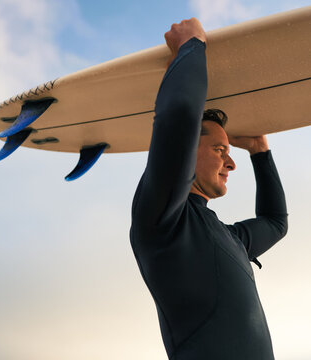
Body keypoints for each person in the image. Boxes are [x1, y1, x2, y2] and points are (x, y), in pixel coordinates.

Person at [130, 18, 288, 360]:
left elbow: (277, 222)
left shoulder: (230, 238)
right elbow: (179, 118)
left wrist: (260, 151)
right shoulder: (163, 221)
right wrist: (192, 47)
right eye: (220, 150)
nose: (231, 164)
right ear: (189, 150)